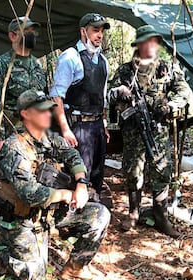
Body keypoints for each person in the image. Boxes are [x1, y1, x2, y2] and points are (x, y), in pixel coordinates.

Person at [0, 89, 110, 280]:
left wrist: (81, 183)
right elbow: (30, 194)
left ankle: (74, 268)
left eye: (49, 110)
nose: (48, 114)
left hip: (49, 213)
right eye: (42, 111)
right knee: (34, 279)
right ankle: (0, 247)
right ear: (25, 114)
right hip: (24, 219)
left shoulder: (49, 137)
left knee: (100, 215)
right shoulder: (14, 147)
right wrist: (66, 194)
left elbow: (72, 155)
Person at [108, 25, 190, 237]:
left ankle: (160, 217)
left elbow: (183, 91)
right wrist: (119, 92)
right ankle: (133, 213)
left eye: (155, 40)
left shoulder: (167, 68)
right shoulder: (126, 70)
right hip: (133, 131)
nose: (152, 44)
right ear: (140, 44)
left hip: (158, 129)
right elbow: (109, 95)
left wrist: (169, 106)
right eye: (148, 41)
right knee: (133, 171)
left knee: (161, 169)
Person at [50, 13, 110, 196]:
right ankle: (76, 218)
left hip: (98, 126)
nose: (99, 35)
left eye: (101, 31)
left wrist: (104, 124)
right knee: (79, 176)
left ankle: (95, 215)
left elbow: (103, 96)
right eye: (95, 30)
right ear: (83, 31)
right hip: (78, 127)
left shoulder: (103, 61)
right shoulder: (70, 57)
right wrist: (65, 129)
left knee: (97, 175)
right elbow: (56, 97)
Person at [0, 16, 46, 147]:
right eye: (27, 31)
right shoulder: (2, 64)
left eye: (33, 31)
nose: (32, 35)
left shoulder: (37, 64)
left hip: (35, 132)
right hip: (11, 133)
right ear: (12, 36)